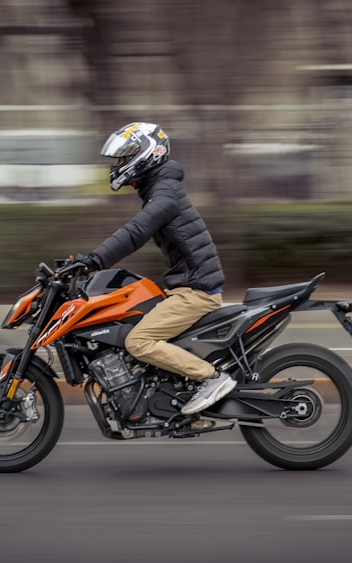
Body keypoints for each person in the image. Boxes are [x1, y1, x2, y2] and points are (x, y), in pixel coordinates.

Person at [67, 122, 236, 415]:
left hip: (196, 293)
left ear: (146, 154)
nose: (118, 165)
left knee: (139, 341)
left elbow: (136, 232)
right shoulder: (160, 189)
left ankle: (211, 377)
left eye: (123, 158)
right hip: (185, 287)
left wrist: (94, 260)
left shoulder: (165, 194)